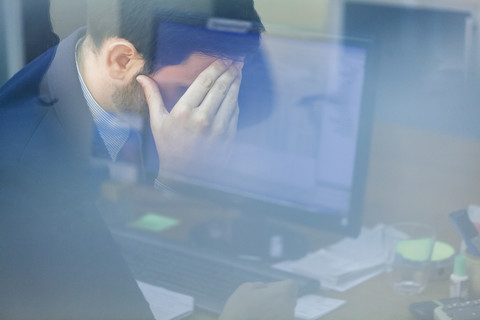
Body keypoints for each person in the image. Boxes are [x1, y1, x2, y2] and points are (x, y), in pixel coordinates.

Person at [0, 0, 296, 319]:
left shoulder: (112, 76)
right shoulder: (21, 176)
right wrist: (179, 181)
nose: (205, 114)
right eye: (194, 90)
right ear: (121, 60)